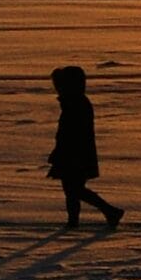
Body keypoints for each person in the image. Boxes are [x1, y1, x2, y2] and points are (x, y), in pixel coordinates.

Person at [46, 65, 123, 229]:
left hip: (75, 154)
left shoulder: (76, 103)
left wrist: (61, 151)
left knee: (74, 189)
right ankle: (75, 221)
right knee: (71, 189)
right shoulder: (73, 102)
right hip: (74, 153)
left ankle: (109, 211)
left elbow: (72, 133)